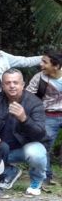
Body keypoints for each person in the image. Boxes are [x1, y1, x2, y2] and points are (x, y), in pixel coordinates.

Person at [0, 69, 47, 196]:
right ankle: (10, 171)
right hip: (3, 148)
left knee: (37, 152)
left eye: (16, 82)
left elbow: (40, 134)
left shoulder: (34, 103)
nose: (12, 85)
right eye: (8, 83)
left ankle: (36, 182)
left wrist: (24, 119)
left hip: (24, 149)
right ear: (2, 85)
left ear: (23, 84)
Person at [26, 51, 62, 185]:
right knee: (43, 146)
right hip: (48, 115)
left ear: (56, 66)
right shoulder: (39, 77)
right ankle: (45, 176)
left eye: (45, 62)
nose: (41, 64)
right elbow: (28, 96)